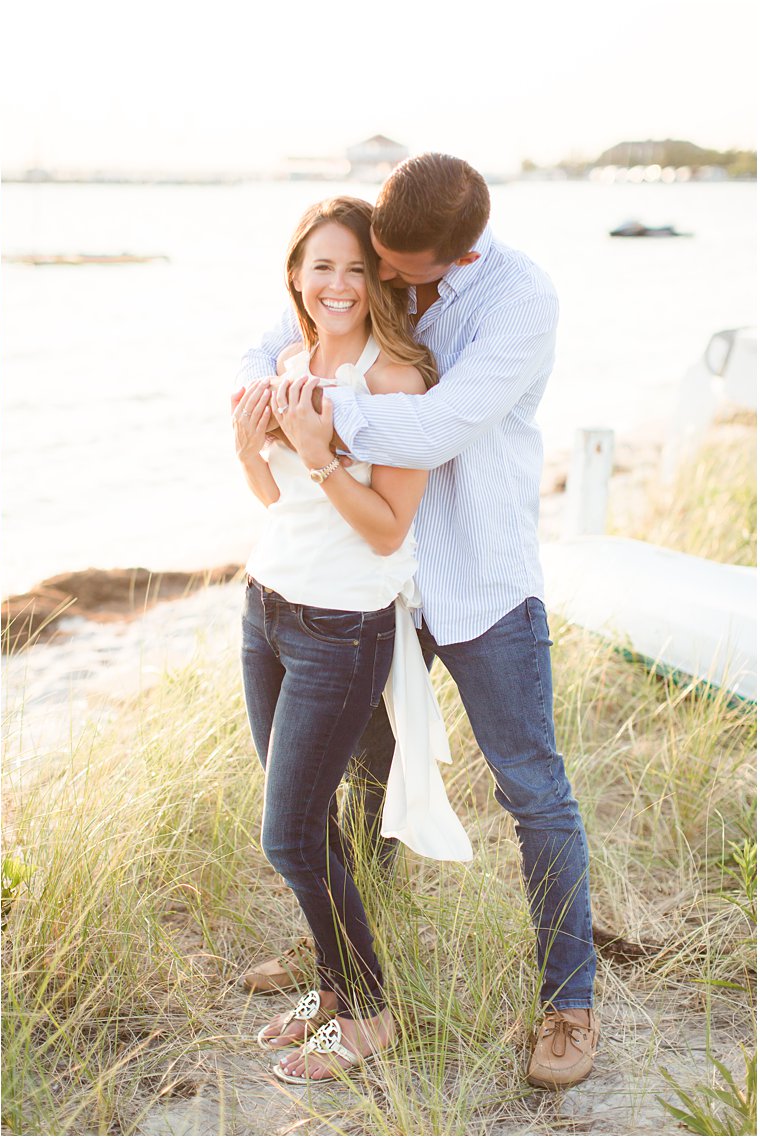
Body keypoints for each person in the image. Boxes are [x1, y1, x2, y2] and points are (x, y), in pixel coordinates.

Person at [238, 153, 598, 1091]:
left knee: (533, 789)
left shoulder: (518, 302)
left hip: (476, 582)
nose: (381, 280)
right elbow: (267, 343)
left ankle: (569, 998)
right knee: (360, 777)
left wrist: (313, 424)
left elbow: (435, 430)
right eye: (373, 261)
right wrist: (267, 399)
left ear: (457, 253)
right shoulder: (376, 257)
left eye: (398, 270)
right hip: (370, 590)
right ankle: (345, 959)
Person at [234, 195, 471, 1084]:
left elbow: (384, 531)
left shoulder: (399, 383)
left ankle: (372, 1010)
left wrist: (320, 449)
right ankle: (335, 984)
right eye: (320, 266)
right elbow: (270, 498)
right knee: (306, 822)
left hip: (342, 627)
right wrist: (250, 445)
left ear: (380, 278)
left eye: (356, 268)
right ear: (295, 274)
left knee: (289, 834)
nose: (338, 284)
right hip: (266, 607)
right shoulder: (291, 362)